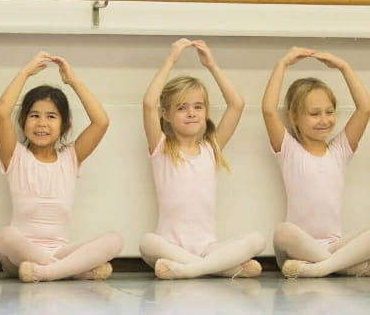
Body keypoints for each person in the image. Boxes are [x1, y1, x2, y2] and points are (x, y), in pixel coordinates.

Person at [140, 38, 266, 279]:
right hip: (168, 246)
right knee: (147, 242)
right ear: (166, 114)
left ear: (206, 111)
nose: (191, 113)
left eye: (198, 107)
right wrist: (171, 59)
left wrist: (212, 66)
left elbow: (236, 104)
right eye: (181, 108)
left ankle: (190, 269)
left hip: (208, 247)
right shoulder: (161, 147)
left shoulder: (211, 148)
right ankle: (220, 267)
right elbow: (148, 104)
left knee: (257, 240)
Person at [0, 52, 123, 283]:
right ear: (22, 122)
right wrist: (24, 73)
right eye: (34, 115)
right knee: (5, 236)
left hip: (59, 251)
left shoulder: (70, 157)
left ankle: (49, 271)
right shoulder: (15, 156)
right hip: (19, 256)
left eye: (51, 116)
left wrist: (73, 81)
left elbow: (101, 121)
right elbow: (1, 112)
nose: (42, 123)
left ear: (65, 125)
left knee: (115, 239)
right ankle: (71, 270)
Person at [262, 47, 370, 278]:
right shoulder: (289, 150)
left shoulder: (340, 151)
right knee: (284, 231)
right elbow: (269, 111)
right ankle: (343, 267)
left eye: (329, 112)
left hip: (333, 246)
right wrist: (282, 64)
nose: (324, 120)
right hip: (296, 249)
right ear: (292, 116)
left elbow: (364, 109)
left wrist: (344, 67)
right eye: (314, 113)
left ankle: (321, 268)